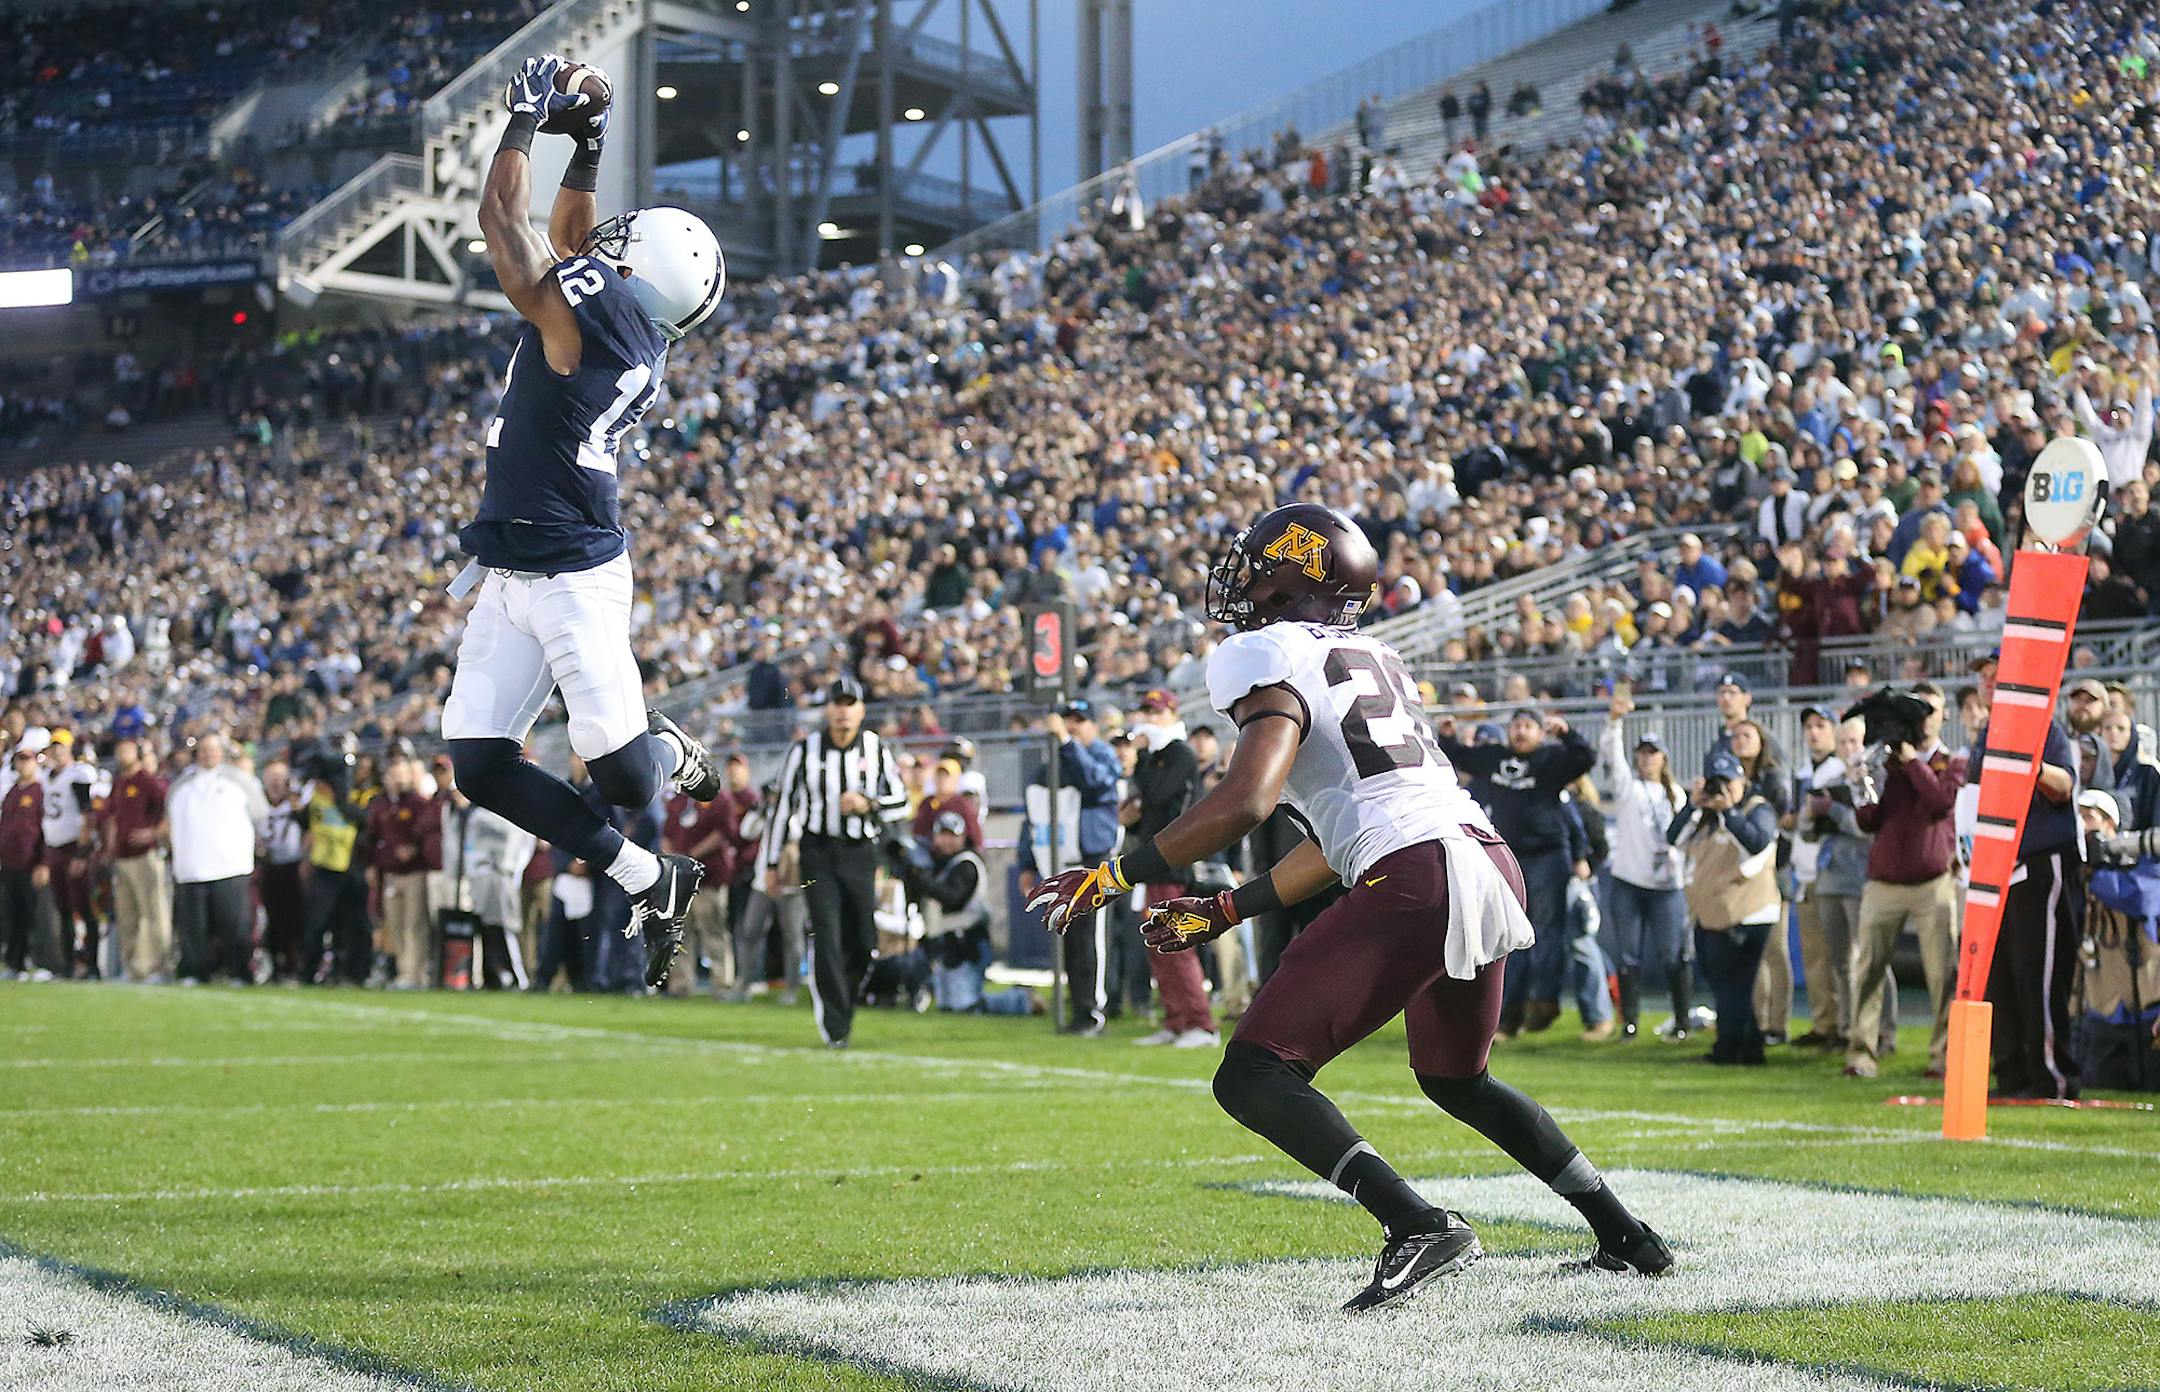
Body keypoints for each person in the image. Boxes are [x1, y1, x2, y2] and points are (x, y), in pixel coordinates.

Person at [1031, 503, 1669, 1312]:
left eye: (1257, 564)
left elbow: (1245, 800)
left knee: (1255, 1073)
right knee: (1457, 1077)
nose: (1242, 579)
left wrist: (1114, 875)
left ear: (1291, 573)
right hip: (1479, 856)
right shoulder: (1374, 653)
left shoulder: (1264, 652)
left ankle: (1415, 1223)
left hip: (1417, 872)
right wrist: (1227, 908)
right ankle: (1626, 1234)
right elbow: (1342, 836)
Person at [440, 54, 726, 991]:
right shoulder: (623, 315)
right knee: (479, 765)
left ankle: (659, 740)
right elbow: (573, 244)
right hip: (518, 568)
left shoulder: (598, 319)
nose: (610, 235)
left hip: (572, 578)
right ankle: (653, 878)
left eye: (623, 238)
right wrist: (590, 139)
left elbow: (507, 230)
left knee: (631, 785)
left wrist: (524, 122)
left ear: (636, 269)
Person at [760, 677, 910, 1046]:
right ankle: (836, 1022)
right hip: (818, 853)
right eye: (837, 704)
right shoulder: (804, 750)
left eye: (850, 704)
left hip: (860, 853)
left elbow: (902, 800)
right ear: (827, 709)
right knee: (826, 934)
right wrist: (772, 862)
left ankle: (842, 998)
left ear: (860, 710)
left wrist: (868, 803)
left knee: (863, 940)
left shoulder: (875, 748)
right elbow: (782, 809)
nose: (843, 711)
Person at [1435, 705, 1597, 1037]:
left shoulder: (1551, 761)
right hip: (1508, 856)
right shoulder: (1494, 756)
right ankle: (1509, 1013)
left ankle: (1544, 1002)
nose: (1521, 731)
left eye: (1528, 726)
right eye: (1517, 725)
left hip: (1549, 856)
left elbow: (1585, 758)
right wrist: (1448, 735)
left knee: (1547, 933)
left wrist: (1567, 734)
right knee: (1507, 936)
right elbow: (1458, 756)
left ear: (1540, 732)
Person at [1970, 656, 2083, 1099]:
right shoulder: (1983, 736)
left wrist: (2029, 765)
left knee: (2040, 972)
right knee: (2000, 975)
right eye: (1982, 677)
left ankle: (2051, 1075)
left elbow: (2065, 785)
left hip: (2040, 861)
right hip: (1996, 867)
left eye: (1997, 677)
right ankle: (2011, 1073)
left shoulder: (2044, 728)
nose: (1988, 683)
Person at [1848, 683, 1964, 1079]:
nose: (1923, 718)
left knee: (1943, 974)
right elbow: (1869, 821)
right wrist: (1861, 780)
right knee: (1867, 971)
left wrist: (1913, 761)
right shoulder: (1887, 765)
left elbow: (1940, 803)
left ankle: (1943, 1056)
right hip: (1883, 882)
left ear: (1943, 715)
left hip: (1933, 882)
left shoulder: (1954, 763)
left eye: (1929, 708)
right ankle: (1861, 1053)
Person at [1668, 750, 1780, 1065]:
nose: (1723, 789)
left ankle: (1730, 1049)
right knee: (1723, 982)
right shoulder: (1703, 815)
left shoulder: (1757, 809)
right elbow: (1672, 838)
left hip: (1748, 913)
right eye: (1716, 782)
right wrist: (1693, 804)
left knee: (1734, 984)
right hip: (1711, 914)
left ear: (1742, 779)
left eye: (1728, 781)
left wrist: (1730, 811)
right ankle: (1748, 1045)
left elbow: (1757, 841)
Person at [1122, 688, 1216, 1047]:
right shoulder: (1162, 754)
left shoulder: (1178, 754)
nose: (1147, 718)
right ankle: (1176, 1019)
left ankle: (1200, 1023)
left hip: (1173, 863)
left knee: (1176, 944)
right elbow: (1149, 808)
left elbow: (1159, 795)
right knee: (1158, 946)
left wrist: (1142, 756)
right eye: (1144, 710)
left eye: (1154, 712)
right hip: (1155, 861)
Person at [1598, 688, 1688, 1039]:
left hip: (1668, 885)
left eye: (1653, 753)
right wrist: (1615, 722)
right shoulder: (1628, 789)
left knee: (1673, 954)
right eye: (1643, 753)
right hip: (1630, 882)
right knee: (1628, 954)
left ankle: (1681, 1020)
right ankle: (1630, 1021)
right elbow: (1612, 756)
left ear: (1663, 758)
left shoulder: (1677, 794)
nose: (1647, 759)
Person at [1788, 710, 1873, 1052]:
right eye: (1843, 742)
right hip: (1825, 876)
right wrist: (1810, 815)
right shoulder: (1816, 775)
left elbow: (1865, 825)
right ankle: (1840, 1027)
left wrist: (1832, 812)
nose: (1847, 748)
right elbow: (1807, 834)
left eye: (1852, 741)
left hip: (1859, 876)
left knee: (1865, 959)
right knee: (1835, 960)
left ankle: (1874, 1031)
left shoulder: (1865, 777)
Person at [167, 732, 270, 984]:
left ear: (222, 753)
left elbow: (260, 813)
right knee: (193, 927)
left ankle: (240, 971)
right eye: (203, 749)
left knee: (234, 924)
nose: (208, 754)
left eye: (213, 749)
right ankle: (195, 970)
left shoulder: (240, 781)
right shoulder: (182, 784)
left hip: (230, 865)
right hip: (190, 866)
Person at [1049, 699, 1122, 1035]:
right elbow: (1039, 806)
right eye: (1068, 721)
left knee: (1092, 937)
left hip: (1094, 856)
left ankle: (1094, 1012)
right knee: (1071, 937)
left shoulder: (1102, 754)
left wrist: (1067, 743)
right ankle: (1078, 1007)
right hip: (1065, 854)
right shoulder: (1059, 759)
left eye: (1079, 720)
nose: (1073, 726)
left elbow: (1095, 781)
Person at [662, 774, 739, 997]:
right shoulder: (676, 799)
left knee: (713, 930)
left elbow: (724, 833)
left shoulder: (717, 796)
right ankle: (681, 985)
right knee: (680, 932)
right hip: (680, 879)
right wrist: (672, 858)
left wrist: (690, 856)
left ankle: (722, 983)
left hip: (709, 877)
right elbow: (666, 832)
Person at [367, 751, 438, 989]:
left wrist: (415, 849)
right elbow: (372, 837)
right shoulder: (380, 805)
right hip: (390, 873)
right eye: (393, 774)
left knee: (414, 924)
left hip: (414, 872)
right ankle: (402, 971)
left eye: (401, 774)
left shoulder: (418, 803)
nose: (397, 780)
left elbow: (426, 832)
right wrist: (373, 865)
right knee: (395, 925)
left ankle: (414, 973)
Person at [101, 735, 169, 983]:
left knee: (152, 912)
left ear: (138, 753)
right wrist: (110, 846)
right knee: (127, 915)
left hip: (145, 856)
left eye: (127, 750)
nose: (122, 754)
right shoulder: (119, 782)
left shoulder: (147, 781)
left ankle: (156, 967)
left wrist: (153, 833)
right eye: (119, 749)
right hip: (122, 857)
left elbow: (167, 810)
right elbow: (111, 817)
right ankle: (133, 968)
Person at [39, 730, 100, 977]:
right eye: (53, 746)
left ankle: (93, 966)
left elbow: (88, 815)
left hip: (73, 846)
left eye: (61, 746)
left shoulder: (78, 775)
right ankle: (66, 966)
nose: (57, 751)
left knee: (83, 907)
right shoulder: (47, 776)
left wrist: (82, 854)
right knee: (63, 908)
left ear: (70, 748)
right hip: (54, 847)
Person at [257, 759, 309, 982]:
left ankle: (294, 964)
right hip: (267, 866)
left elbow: (310, 829)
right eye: (272, 778)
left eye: (281, 778)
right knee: (271, 918)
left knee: (295, 917)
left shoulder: (299, 803)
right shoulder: (257, 803)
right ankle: (275, 964)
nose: (277, 783)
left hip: (294, 866)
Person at [0, 745, 46, 979]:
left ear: (35, 762)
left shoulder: (41, 791)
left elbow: (46, 829)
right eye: (19, 759)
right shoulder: (12, 793)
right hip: (9, 863)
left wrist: (43, 862)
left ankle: (33, 961)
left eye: (27, 759)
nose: (23, 764)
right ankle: (14, 962)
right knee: (12, 913)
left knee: (33, 914)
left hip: (31, 862)